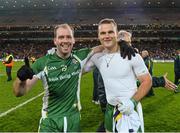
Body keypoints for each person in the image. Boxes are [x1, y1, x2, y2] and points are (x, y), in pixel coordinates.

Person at [13, 24, 103, 132]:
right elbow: (20, 92)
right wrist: (20, 79)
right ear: (55, 41)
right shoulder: (42, 63)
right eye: (61, 37)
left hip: (73, 120)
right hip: (50, 122)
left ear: (73, 40)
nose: (65, 40)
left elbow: (100, 48)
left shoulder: (80, 57)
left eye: (68, 37)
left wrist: (120, 44)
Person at [84, 18, 152, 132]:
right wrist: (98, 48)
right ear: (98, 36)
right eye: (103, 33)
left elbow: (147, 80)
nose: (107, 36)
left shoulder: (132, 55)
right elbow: (77, 69)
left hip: (129, 110)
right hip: (110, 109)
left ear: (116, 34)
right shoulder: (97, 57)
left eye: (110, 32)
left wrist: (133, 102)